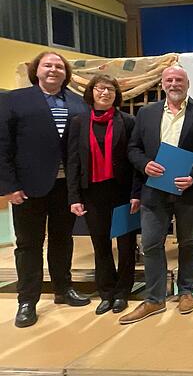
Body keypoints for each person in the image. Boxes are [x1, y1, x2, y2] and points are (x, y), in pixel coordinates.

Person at [120, 66, 193, 324]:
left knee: (188, 242)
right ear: (163, 84)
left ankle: (186, 291)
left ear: (188, 83)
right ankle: (154, 299)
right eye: (169, 80)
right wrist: (145, 165)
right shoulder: (147, 112)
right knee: (152, 244)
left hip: (188, 189)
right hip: (153, 189)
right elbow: (133, 148)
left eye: (179, 80)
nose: (174, 84)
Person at [0, 51, 90, 328]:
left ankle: (63, 289)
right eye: (47, 65)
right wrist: (9, 186)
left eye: (59, 66)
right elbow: (2, 145)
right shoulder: (14, 100)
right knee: (28, 245)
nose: (53, 70)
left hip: (66, 187)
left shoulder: (78, 103)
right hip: (28, 187)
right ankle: (27, 300)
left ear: (66, 73)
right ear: (36, 70)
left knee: (63, 240)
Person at [67, 75, 141, 315]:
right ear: (92, 92)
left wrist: (135, 193)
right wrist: (74, 197)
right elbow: (73, 162)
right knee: (100, 244)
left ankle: (122, 293)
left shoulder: (128, 121)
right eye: (100, 88)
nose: (105, 93)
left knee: (127, 245)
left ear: (116, 94)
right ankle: (106, 293)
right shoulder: (78, 122)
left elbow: (134, 161)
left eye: (110, 89)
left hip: (122, 192)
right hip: (92, 194)